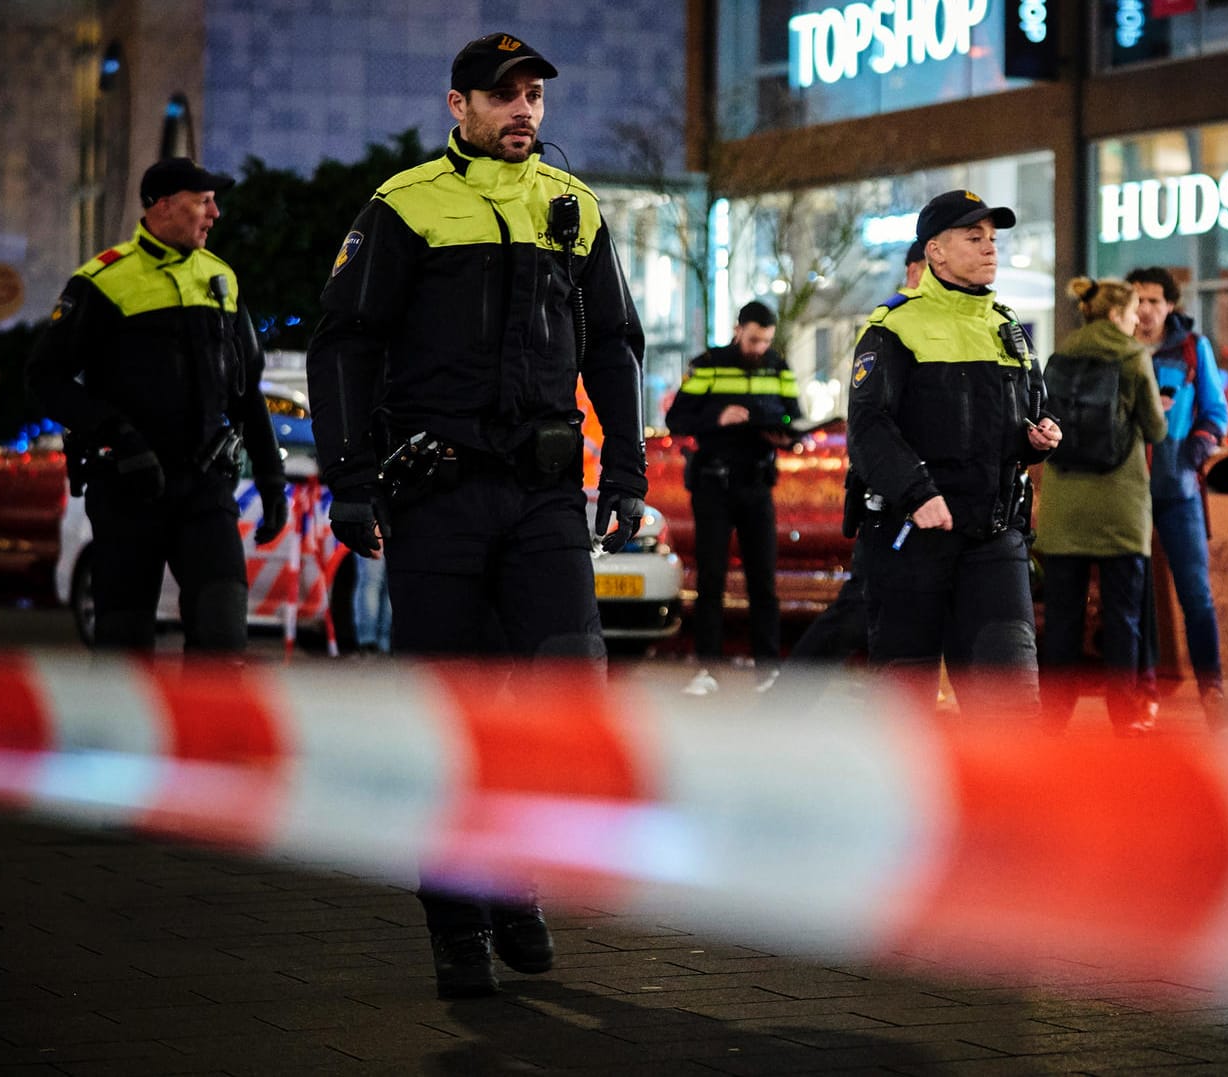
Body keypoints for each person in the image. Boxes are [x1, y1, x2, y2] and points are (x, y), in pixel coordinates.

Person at [306, 31, 649, 999]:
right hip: (439, 497)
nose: (524, 111)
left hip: (545, 497)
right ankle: (456, 916)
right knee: (446, 718)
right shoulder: (403, 206)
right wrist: (350, 478)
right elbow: (344, 347)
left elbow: (614, 346)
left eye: (534, 93)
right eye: (503, 96)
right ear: (457, 106)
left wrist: (625, 474)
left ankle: (517, 881)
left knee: (560, 693)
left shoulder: (573, 208)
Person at [27, 157, 287, 653]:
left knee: (223, 637)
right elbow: (44, 378)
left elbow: (247, 389)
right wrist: (117, 435)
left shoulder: (222, 280)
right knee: (123, 647)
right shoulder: (103, 281)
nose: (215, 213)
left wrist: (272, 481)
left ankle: (206, 733)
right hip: (129, 490)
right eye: (203, 201)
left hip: (205, 491)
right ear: (164, 206)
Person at [846, 191, 1061, 718]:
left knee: (1010, 704)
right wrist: (918, 494)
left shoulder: (1007, 328)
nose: (990, 248)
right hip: (912, 539)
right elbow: (868, 428)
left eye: (992, 238)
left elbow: (1032, 413)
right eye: (974, 238)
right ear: (936, 252)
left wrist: (1043, 436)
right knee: (906, 707)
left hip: (994, 539)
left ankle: (1005, 803)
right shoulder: (893, 327)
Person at [1034, 277, 1166, 735]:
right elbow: (1156, 429)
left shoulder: (1058, 356)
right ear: (1114, 315)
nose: (1136, 320)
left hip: (1064, 506)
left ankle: (1053, 718)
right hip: (1119, 506)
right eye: (1131, 313)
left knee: (1063, 619)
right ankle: (1125, 717)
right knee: (1123, 616)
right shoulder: (1133, 357)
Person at [788, 240, 924, 664]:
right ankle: (788, 697)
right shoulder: (892, 324)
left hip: (922, 498)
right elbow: (871, 424)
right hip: (893, 503)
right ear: (918, 269)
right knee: (861, 608)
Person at [666, 301, 800, 693]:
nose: (760, 347)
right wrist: (718, 418)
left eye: (766, 341)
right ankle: (705, 667)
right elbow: (677, 419)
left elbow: (793, 414)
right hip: (713, 486)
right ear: (738, 329)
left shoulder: (778, 366)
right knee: (712, 579)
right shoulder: (706, 364)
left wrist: (786, 435)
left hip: (757, 485)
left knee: (763, 580)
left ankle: (768, 669)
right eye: (755, 338)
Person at [1125, 266, 1228, 727]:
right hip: (1126, 491)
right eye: (1138, 300)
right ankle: (1144, 694)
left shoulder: (1192, 348)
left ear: (1171, 304)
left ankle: (1213, 690)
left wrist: (1194, 451)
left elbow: (1215, 412)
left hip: (1179, 490)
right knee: (1136, 596)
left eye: (1154, 300)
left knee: (1195, 592)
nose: (1146, 309)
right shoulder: (1117, 348)